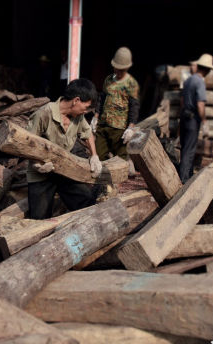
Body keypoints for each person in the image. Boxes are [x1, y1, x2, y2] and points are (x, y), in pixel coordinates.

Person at [27, 78, 102, 219]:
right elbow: (28, 144)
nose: (85, 112)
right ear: (76, 100)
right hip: (41, 174)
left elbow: (88, 134)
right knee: (40, 219)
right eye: (86, 107)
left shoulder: (78, 117)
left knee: (85, 202)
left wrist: (94, 156)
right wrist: (36, 164)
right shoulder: (44, 113)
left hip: (64, 170)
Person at [94, 47, 140, 174]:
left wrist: (131, 127)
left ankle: (113, 189)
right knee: (98, 156)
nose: (118, 71)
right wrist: (96, 117)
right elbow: (101, 98)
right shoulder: (108, 80)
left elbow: (134, 107)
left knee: (119, 161)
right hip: (103, 125)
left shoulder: (131, 84)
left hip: (120, 129)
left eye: (121, 69)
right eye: (116, 68)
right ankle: (101, 187)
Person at [178, 53, 213, 182]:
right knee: (189, 150)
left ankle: (187, 176)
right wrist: (205, 121)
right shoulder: (200, 82)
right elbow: (200, 105)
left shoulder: (189, 80)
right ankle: (183, 179)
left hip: (185, 116)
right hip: (192, 119)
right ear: (207, 69)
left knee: (185, 147)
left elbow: (182, 100)